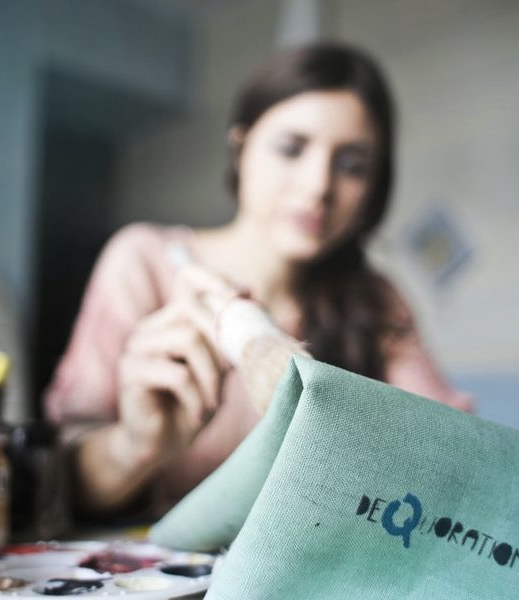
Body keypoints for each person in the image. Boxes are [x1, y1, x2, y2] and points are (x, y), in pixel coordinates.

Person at [43, 42, 472, 516]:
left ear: (374, 188)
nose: (318, 186)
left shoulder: (375, 302)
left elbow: (455, 457)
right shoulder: (145, 261)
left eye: (352, 166)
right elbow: (63, 484)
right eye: (291, 149)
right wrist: (135, 445)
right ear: (240, 148)